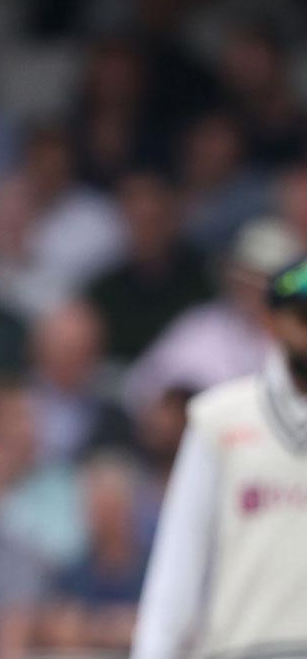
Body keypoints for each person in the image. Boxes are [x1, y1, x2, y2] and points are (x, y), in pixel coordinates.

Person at [131, 256, 307, 658]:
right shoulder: (219, 418)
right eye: (302, 315)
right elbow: (180, 558)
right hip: (240, 647)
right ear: (274, 322)